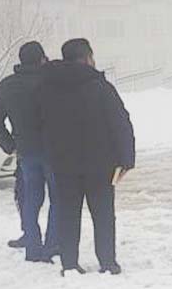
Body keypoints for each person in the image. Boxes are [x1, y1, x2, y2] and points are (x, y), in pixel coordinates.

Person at [37, 38, 136, 276]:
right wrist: (126, 159)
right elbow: (120, 123)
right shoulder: (100, 87)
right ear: (86, 58)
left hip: (63, 164)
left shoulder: (46, 88)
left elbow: (38, 125)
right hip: (101, 164)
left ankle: (69, 263)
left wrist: (48, 155)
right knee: (103, 214)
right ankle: (108, 262)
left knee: (68, 214)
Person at [0, 41, 58, 262]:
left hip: (26, 152)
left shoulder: (7, 86)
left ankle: (32, 246)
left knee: (30, 199)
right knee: (58, 199)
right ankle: (52, 244)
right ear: (42, 58)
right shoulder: (51, 83)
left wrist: (11, 145)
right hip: (54, 150)